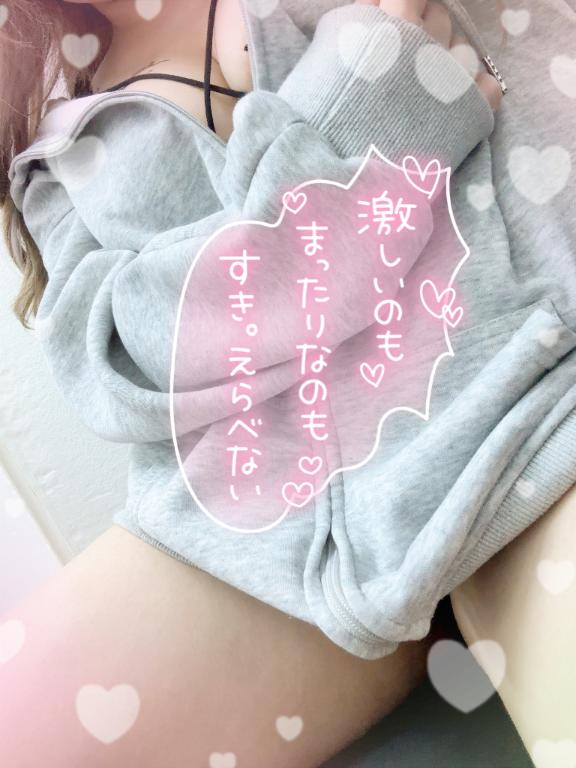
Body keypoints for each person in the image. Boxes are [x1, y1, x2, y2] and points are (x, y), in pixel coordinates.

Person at [0, 1, 574, 766]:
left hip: (533, 412)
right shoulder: (51, 152)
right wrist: (368, 112)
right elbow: (133, 363)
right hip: (266, 532)